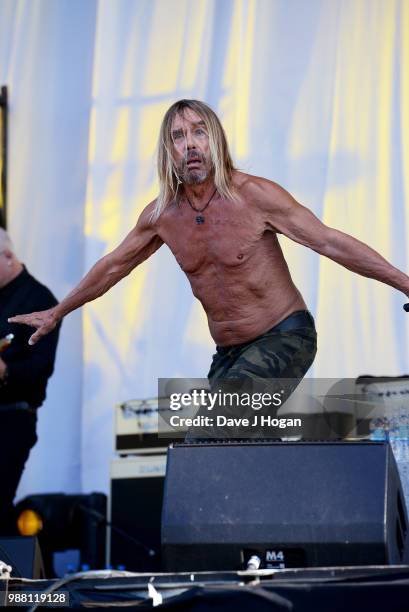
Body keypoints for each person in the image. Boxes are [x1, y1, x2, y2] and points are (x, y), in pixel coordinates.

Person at [8, 99, 409, 439]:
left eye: (199, 132)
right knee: (235, 452)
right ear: (168, 151)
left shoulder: (254, 195)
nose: (191, 145)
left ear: (215, 140)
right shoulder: (162, 216)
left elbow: (329, 241)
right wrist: (58, 312)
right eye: (178, 137)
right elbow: (113, 266)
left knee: (209, 434)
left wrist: (405, 283)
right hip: (229, 355)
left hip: (285, 337)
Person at [0, 228, 60, 534]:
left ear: (8, 256)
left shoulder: (40, 299)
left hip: (13, 417)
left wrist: (6, 371)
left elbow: (41, 366)